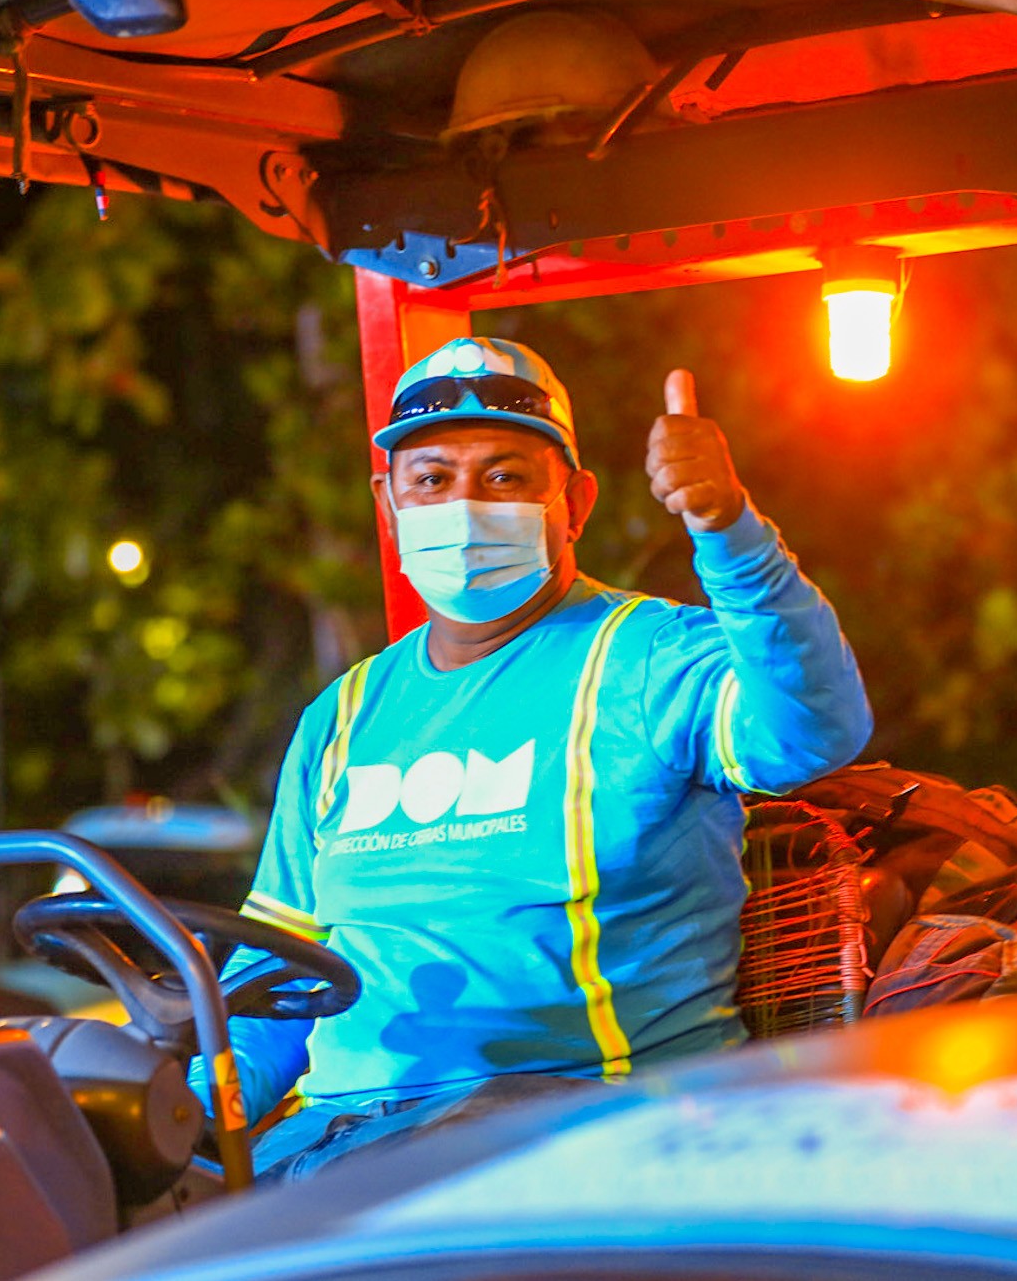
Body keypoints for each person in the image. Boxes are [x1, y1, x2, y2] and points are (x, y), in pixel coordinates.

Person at [196, 335, 872, 1180]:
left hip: (582, 1128)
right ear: (388, 503)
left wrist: (728, 532)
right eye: (431, 479)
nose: (464, 506)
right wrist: (183, 1115)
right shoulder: (343, 716)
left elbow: (815, 729)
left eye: (505, 477)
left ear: (574, 503)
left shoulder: (647, 657)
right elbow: (274, 976)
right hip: (338, 1142)